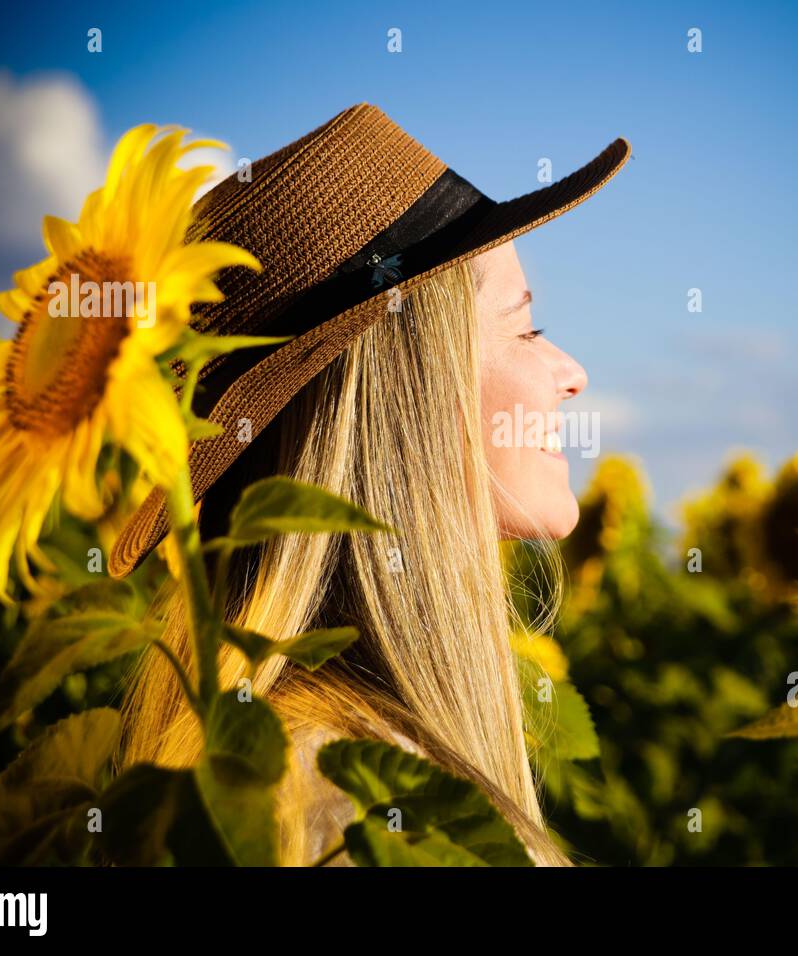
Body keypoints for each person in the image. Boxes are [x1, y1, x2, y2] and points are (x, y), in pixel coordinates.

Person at [116, 103, 631, 865]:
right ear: (410, 392)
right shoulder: (342, 812)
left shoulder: (275, 760)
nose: (572, 374)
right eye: (527, 330)